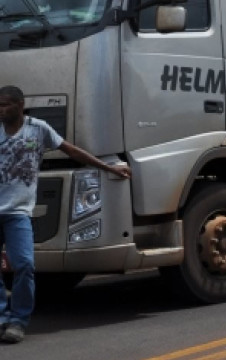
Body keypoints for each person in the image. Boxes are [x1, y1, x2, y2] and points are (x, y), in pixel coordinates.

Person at [0, 85, 131, 344]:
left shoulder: (38, 129)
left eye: (6, 105)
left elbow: (71, 150)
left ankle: (18, 320)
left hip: (17, 213)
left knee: (24, 264)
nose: (1, 110)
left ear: (20, 105)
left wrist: (108, 168)